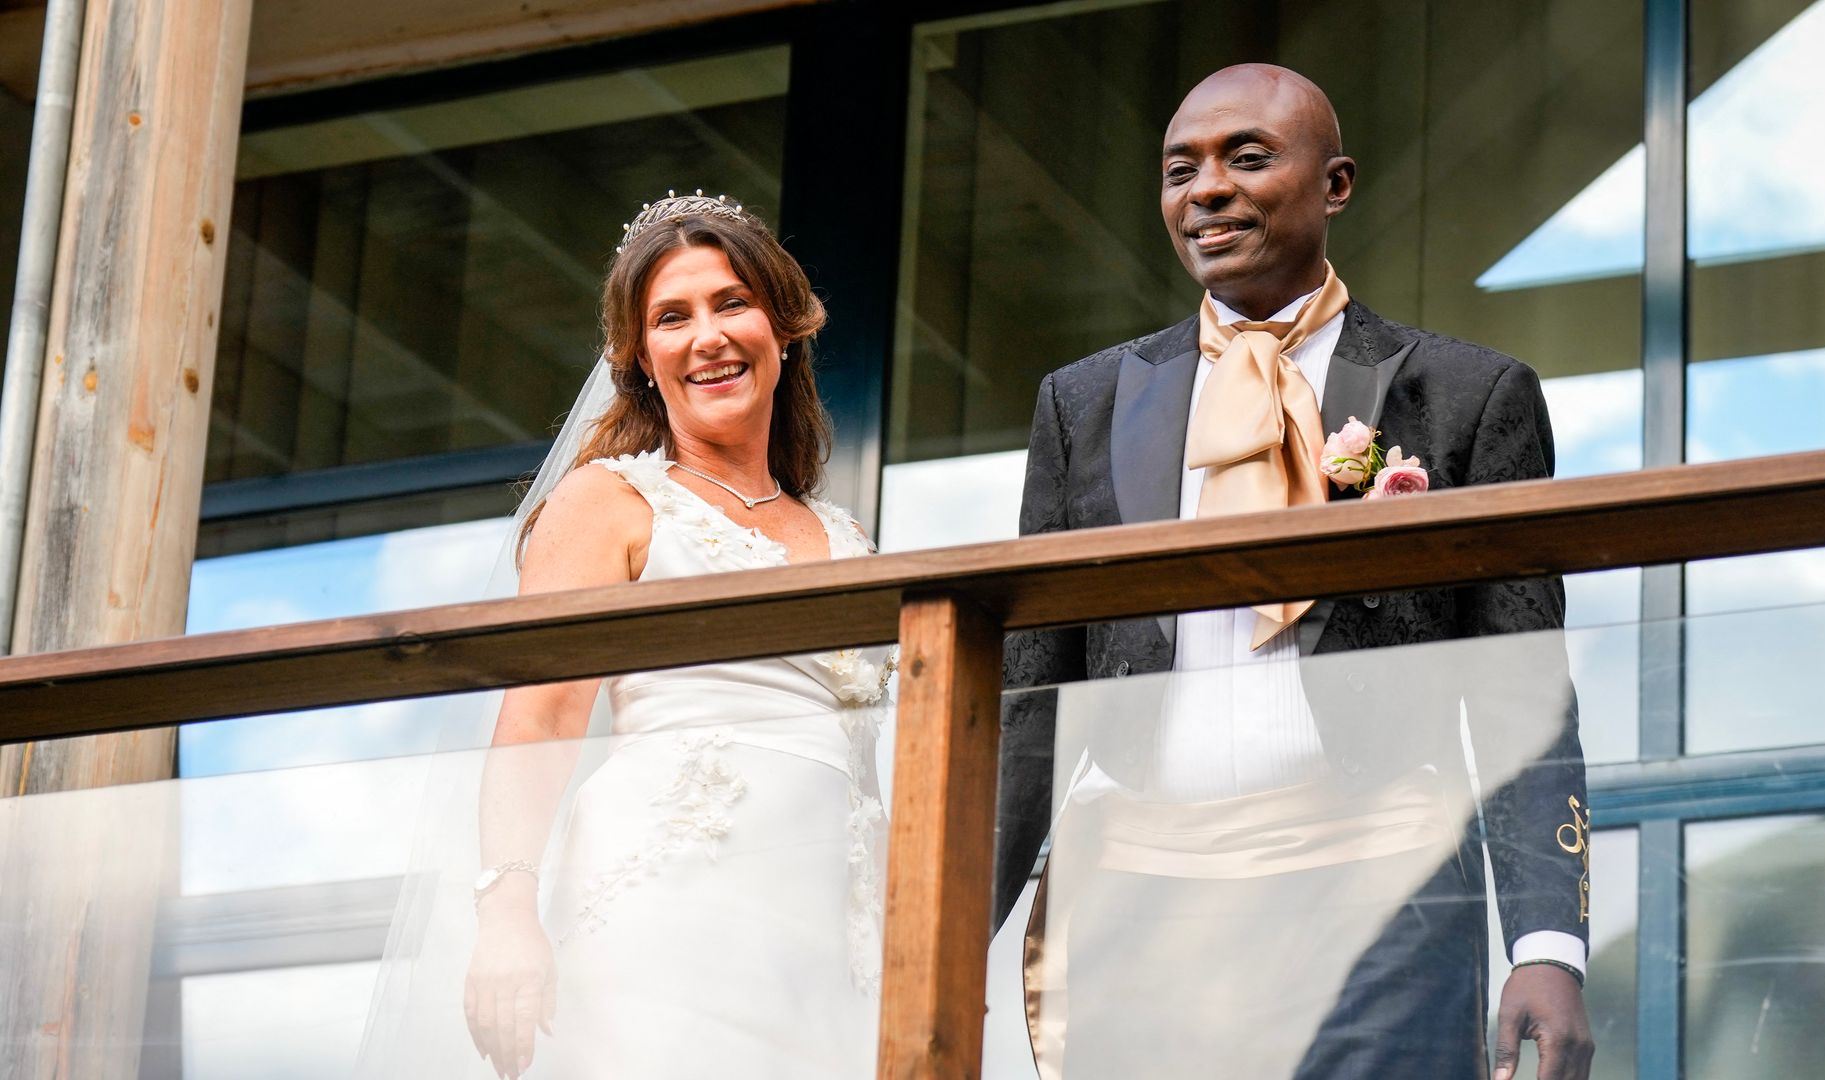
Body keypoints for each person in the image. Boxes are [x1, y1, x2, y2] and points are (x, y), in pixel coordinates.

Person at [998, 66, 1593, 1079]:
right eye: (1181, 170)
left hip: (1383, 894)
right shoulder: (1081, 404)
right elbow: (1030, 703)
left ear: (1337, 183)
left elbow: (1520, 691)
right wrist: (950, 922)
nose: (1208, 190)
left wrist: (1547, 947)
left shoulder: (1467, 395)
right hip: (1140, 901)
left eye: (1249, 158)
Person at [363, 193, 894, 1079]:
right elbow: (539, 717)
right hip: (670, 908)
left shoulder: (845, 538)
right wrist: (506, 911)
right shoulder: (611, 500)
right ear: (642, 358)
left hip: (826, 941)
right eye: (672, 318)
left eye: (732, 303)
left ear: (784, 326)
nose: (708, 337)